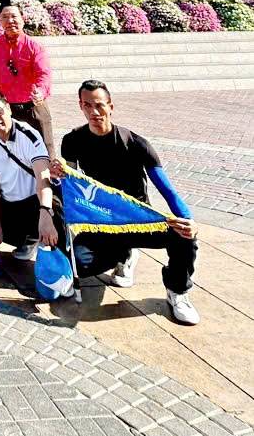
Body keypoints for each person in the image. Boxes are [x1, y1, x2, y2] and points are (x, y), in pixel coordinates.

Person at [52, 80, 201, 325]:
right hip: (103, 221)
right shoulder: (73, 140)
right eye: (87, 105)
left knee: (184, 236)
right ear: (80, 106)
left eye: (99, 105)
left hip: (138, 220)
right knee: (80, 263)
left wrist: (188, 220)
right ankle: (123, 254)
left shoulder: (136, 143)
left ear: (111, 106)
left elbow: (167, 190)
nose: (94, 112)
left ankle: (177, 292)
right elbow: (73, 184)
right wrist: (60, 175)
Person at [0, 89, 67, 279]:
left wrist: (45, 213)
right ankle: (28, 239)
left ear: (8, 108)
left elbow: (43, 178)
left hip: (35, 201)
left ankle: (61, 261)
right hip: (10, 205)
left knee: (54, 216)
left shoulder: (29, 135)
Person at [0, 3, 54, 155]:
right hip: (5, 108)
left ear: (23, 18)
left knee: (44, 149)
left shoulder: (35, 46)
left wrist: (40, 92)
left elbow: (43, 73)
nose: (10, 21)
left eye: (14, 16)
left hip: (32, 106)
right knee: (10, 150)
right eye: (5, 17)